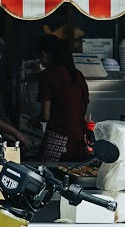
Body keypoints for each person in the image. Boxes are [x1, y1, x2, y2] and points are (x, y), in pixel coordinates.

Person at [36, 34, 90, 162]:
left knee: (48, 177)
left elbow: (45, 115)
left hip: (58, 140)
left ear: (44, 54)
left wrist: (34, 119)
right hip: (78, 141)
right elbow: (83, 107)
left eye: (39, 57)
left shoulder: (47, 75)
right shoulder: (78, 75)